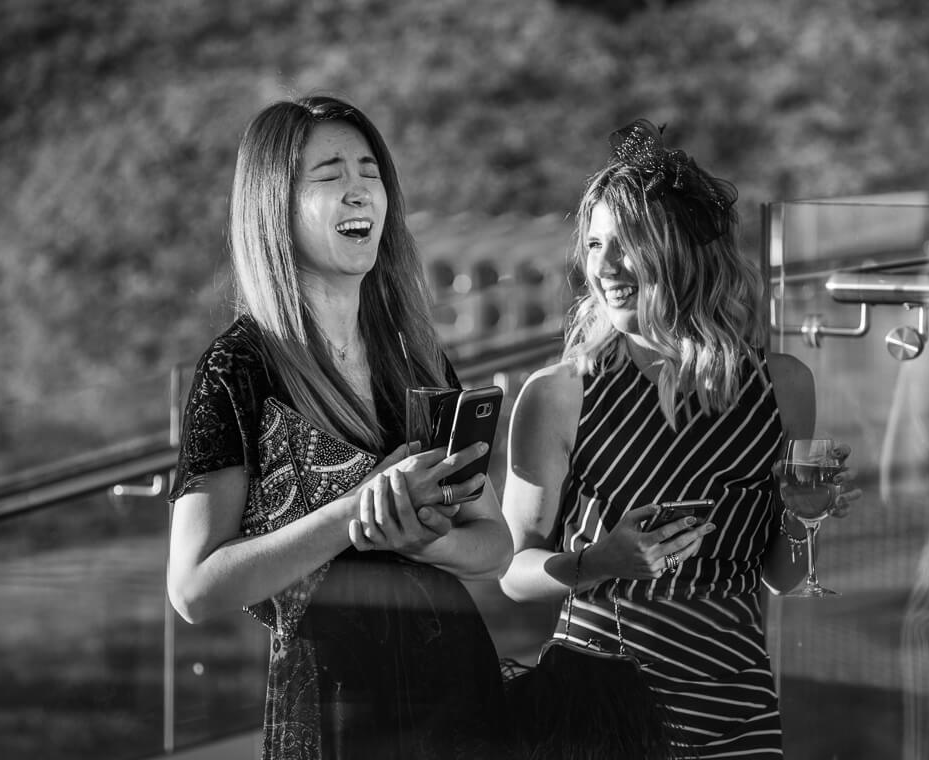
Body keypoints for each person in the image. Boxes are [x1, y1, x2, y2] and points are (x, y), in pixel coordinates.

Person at [166, 95, 514, 759]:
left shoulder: (416, 352)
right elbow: (194, 588)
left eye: (369, 172)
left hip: (457, 692)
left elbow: (493, 545)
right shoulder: (239, 366)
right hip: (333, 705)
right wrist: (357, 509)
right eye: (328, 176)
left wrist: (415, 538)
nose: (358, 191)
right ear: (276, 205)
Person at [499, 118, 858, 758]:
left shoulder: (783, 387)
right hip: (598, 713)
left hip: (736, 706)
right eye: (594, 244)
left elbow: (782, 575)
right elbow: (512, 571)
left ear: (683, 249)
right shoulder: (558, 395)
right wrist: (601, 562)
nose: (603, 266)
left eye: (627, 243)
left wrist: (810, 517)